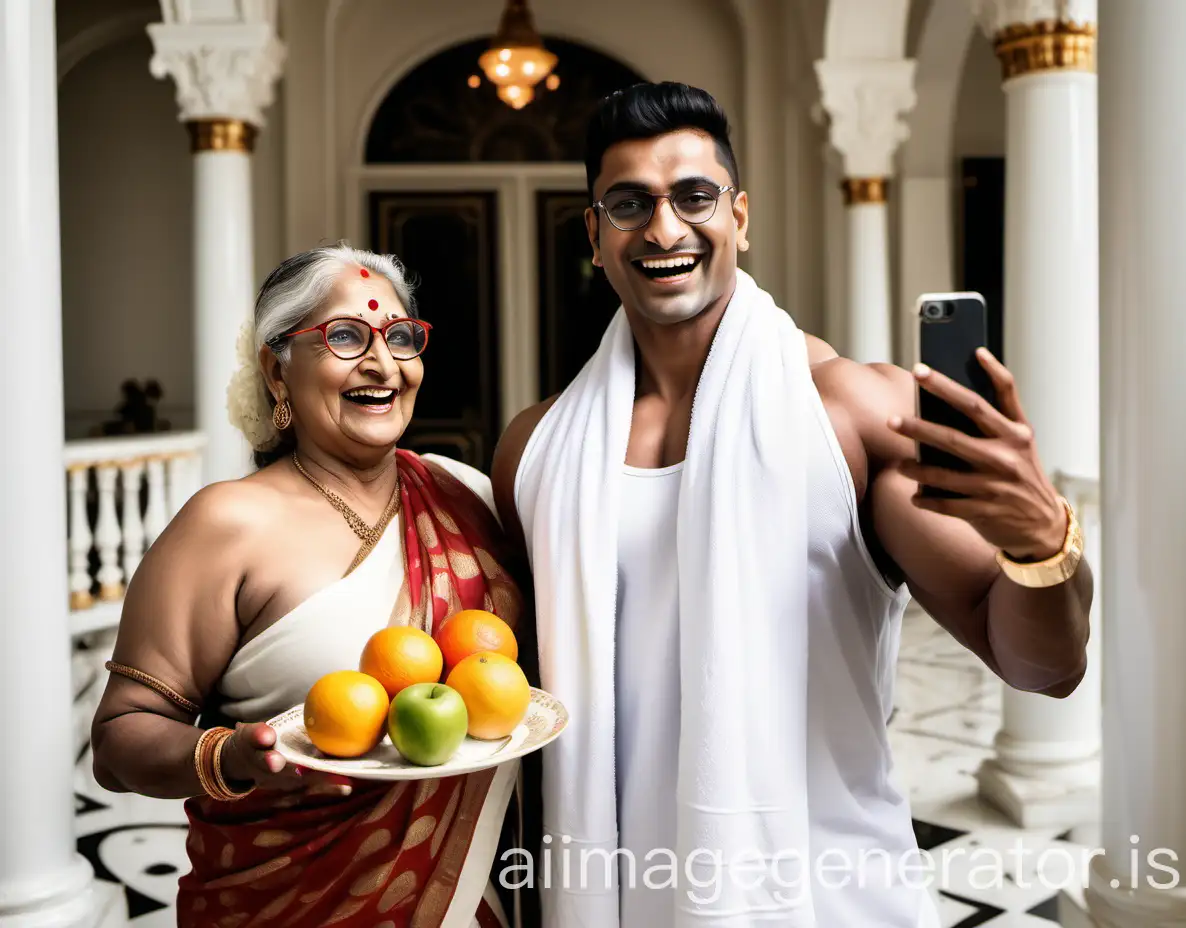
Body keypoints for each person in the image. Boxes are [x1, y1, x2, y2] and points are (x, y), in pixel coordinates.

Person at [491, 83, 1094, 927]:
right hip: (617, 900)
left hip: (829, 897)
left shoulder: (856, 411)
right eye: (629, 204)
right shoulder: (537, 449)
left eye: (694, 197)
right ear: (595, 235)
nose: (664, 229)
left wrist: (1042, 540)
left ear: (740, 217)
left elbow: (1044, 668)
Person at [91, 244, 527, 927]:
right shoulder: (226, 525)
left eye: (400, 337)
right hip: (287, 900)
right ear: (277, 370)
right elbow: (119, 742)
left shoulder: (463, 494)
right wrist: (231, 756)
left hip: (460, 893)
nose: (382, 365)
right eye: (345, 336)